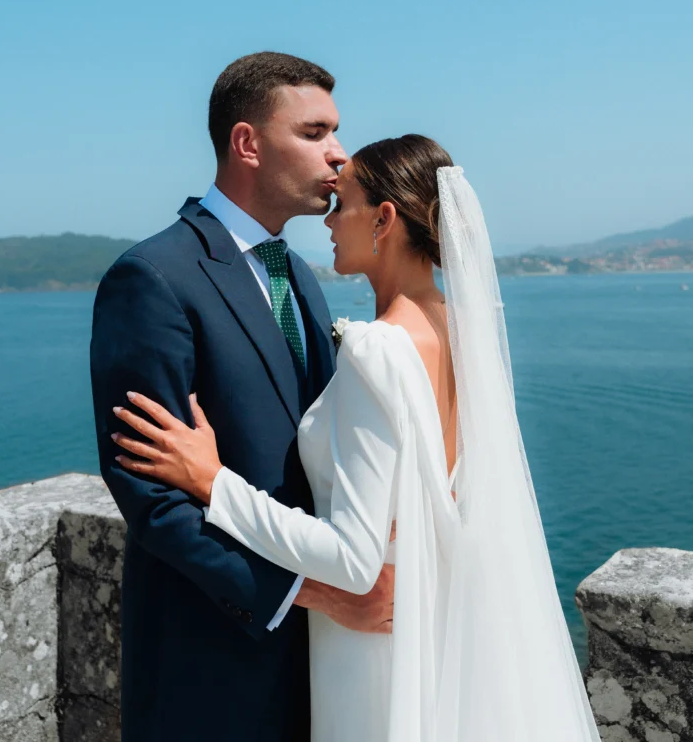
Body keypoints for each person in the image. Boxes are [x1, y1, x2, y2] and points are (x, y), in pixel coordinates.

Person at [111, 134, 603, 741]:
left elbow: (352, 556)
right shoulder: (456, 327)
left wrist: (215, 484)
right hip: (425, 619)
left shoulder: (378, 347)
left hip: (370, 642)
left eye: (342, 204)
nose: (329, 221)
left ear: (384, 219)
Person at [89, 52, 395, 742]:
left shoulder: (299, 276)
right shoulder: (152, 278)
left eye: (336, 132)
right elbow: (153, 498)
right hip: (213, 671)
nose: (340, 155)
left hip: (322, 667)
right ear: (248, 143)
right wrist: (320, 594)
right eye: (315, 133)